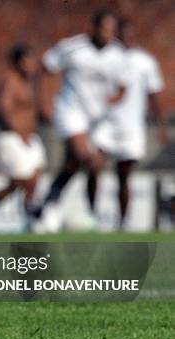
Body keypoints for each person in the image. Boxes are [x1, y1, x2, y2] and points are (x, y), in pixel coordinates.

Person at [34, 9, 127, 231]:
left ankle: (49, 203)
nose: (108, 34)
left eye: (112, 30)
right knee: (88, 158)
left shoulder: (118, 53)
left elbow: (123, 88)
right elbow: (44, 69)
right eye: (104, 29)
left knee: (79, 166)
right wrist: (44, 103)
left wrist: (113, 99)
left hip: (100, 119)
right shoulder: (73, 47)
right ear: (93, 28)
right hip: (71, 112)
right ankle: (86, 213)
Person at [89, 18, 167, 228]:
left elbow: (154, 95)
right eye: (122, 34)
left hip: (131, 127)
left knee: (123, 175)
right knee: (94, 165)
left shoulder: (145, 61)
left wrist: (161, 126)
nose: (126, 38)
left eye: (130, 34)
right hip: (104, 123)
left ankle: (123, 222)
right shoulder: (104, 57)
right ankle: (92, 216)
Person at [0, 44, 46, 231]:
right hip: (11, 137)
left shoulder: (30, 82)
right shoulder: (9, 80)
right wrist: (19, 133)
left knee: (27, 180)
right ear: (17, 62)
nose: (31, 65)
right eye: (27, 61)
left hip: (29, 137)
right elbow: (4, 110)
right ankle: (31, 213)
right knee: (24, 180)